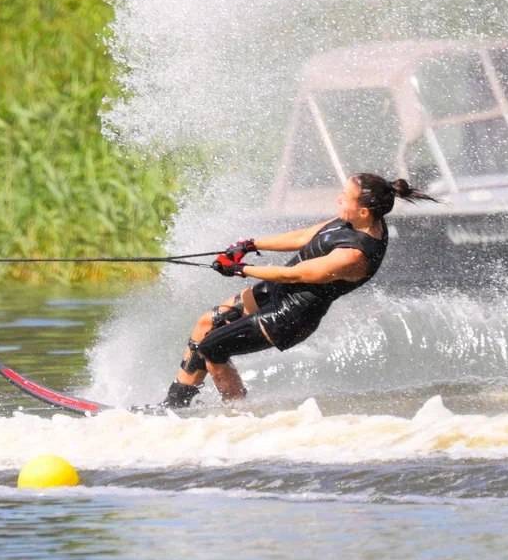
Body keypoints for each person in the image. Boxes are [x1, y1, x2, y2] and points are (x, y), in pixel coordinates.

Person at [162, 173, 437, 408]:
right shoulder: (353, 219)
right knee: (206, 323)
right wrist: (249, 244)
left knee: (214, 347)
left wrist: (240, 269)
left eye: (345, 196)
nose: (338, 199)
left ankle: (238, 415)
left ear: (364, 211)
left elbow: (292, 274)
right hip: (280, 289)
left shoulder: (355, 256)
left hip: (291, 316)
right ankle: (174, 405)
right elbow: (304, 237)